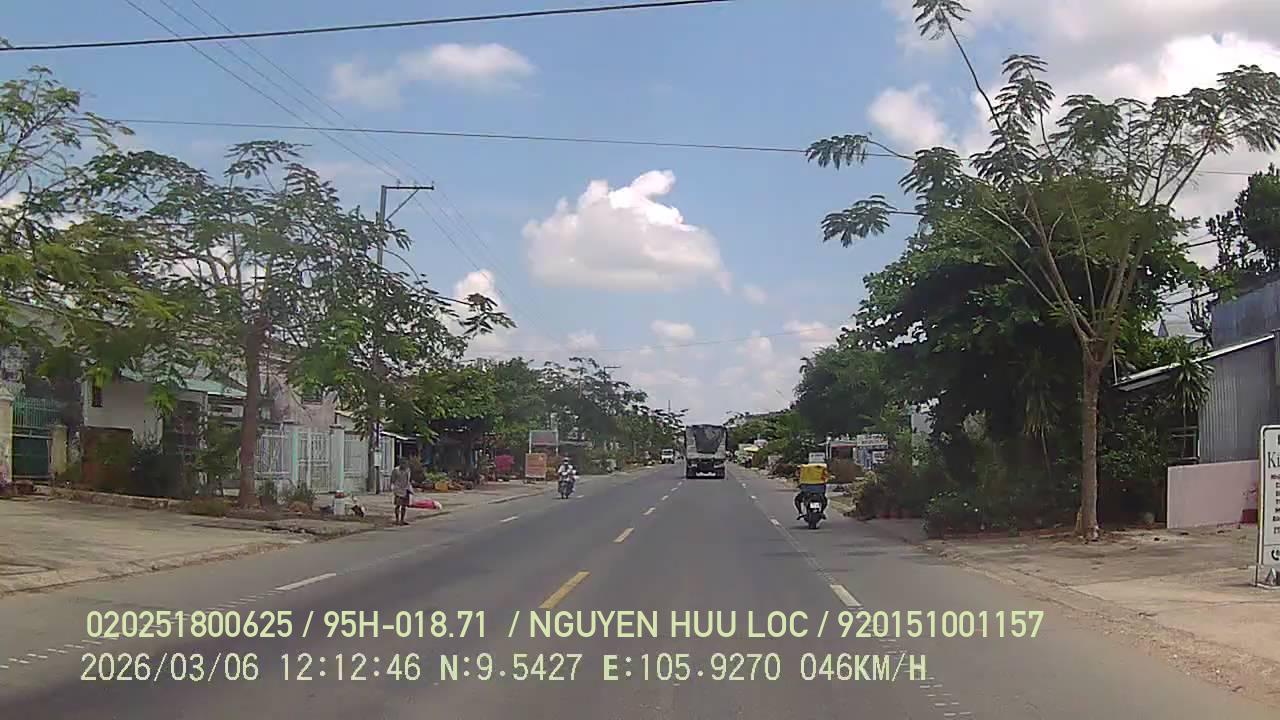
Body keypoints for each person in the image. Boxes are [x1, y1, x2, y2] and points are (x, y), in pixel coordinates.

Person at [390, 456, 413, 525]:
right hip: (398, 490)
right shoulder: (396, 470)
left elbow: (408, 480)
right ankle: (397, 520)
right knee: (398, 505)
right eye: (403, 463)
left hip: (405, 489)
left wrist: (409, 489)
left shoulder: (407, 470)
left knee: (404, 506)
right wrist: (393, 488)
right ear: (400, 463)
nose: (404, 465)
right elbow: (392, 480)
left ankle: (402, 520)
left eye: (405, 463)